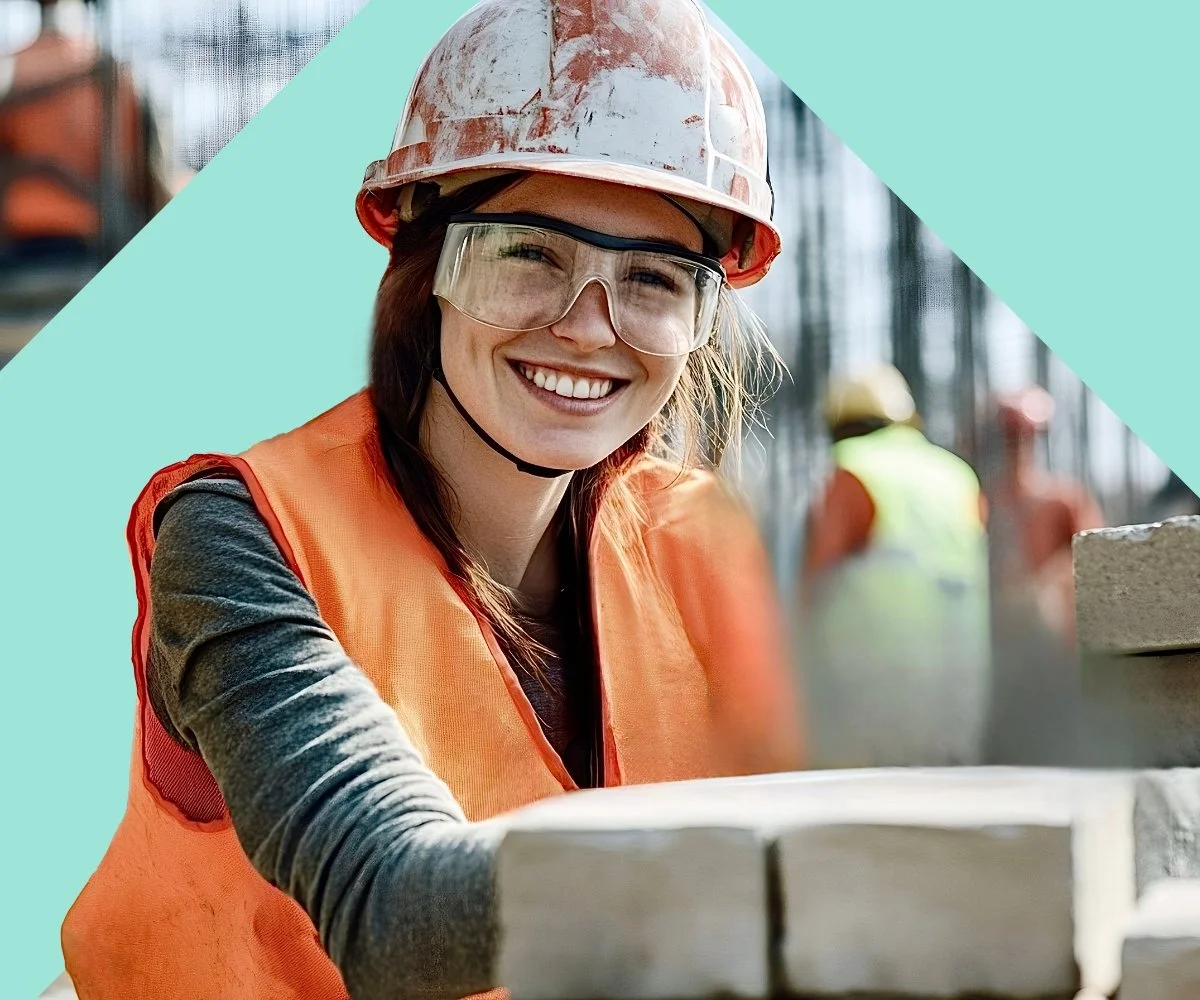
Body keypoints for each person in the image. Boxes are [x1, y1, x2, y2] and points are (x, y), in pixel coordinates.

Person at [59, 2, 806, 998]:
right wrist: (814, 862)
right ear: (426, 266)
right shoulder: (239, 535)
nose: (590, 327)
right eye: (530, 253)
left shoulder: (695, 548)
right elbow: (393, 909)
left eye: (655, 279)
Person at [798, 364, 991, 769]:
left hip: (873, 693)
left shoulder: (851, 470)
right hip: (957, 685)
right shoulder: (957, 475)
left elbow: (811, 584)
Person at [0, 0, 171, 269]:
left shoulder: (11, 70)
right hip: (94, 241)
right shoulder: (114, 77)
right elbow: (141, 176)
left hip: (19, 244)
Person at [987, 386, 1105, 646]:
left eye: (1023, 436)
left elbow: (1096, 564)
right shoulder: (987, 499)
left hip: (1053, 637)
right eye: (1010, 435)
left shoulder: (1065, 500)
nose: (1017, 444)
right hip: (1001, 634)